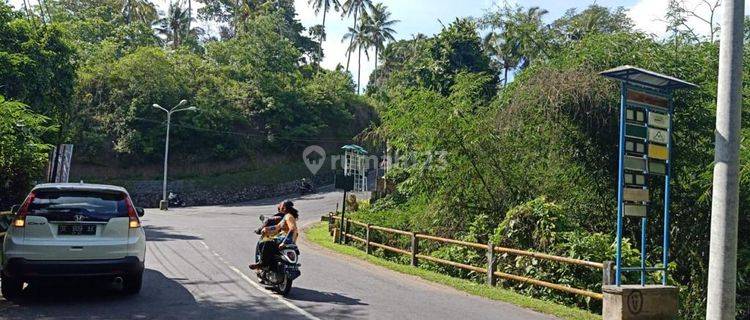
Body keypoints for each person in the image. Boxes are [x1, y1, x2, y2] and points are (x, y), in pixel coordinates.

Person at [250, 200, 299, 270]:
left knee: (265, 243)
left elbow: (292, 229)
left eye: (281, 206)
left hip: (285, 239)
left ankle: (263, 264)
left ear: (284, 208)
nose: (279, 207)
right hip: (285, 239)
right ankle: (272, 266)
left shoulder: (288, 216)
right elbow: (277, 227)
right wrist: (267, 229)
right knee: (270, 245)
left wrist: (285, 242)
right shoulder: (286, 217)